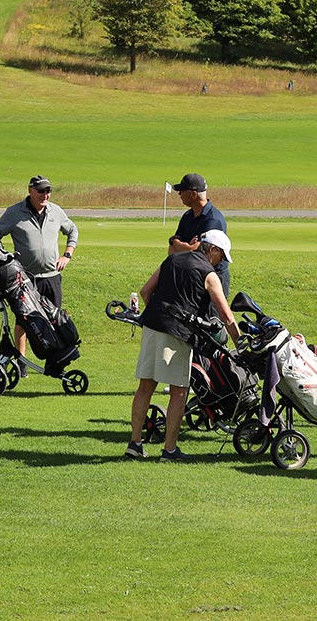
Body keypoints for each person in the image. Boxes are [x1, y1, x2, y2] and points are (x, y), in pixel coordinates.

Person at [126, 230, 243, 462]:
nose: (221, 262)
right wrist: (240, 343)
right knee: (179, 391)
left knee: (145, 387)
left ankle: (135, 443)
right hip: (177, 334)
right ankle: (169, 450)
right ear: (213, 250)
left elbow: (145, 291)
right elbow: (226, 316)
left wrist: (158, 315)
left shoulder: (172, 259)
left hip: (151, 326)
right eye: (221, 256)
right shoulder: (209, 274)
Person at [0, 174, 78, 367]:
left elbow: (72, 230)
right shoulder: (14, 212)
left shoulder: (56, 211)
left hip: (51, 277)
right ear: (30, 190)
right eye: (41, 191)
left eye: (48, 191)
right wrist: (5, 257)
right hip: (25, 279)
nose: (45, 195)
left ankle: (55, 361)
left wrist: (67, 255)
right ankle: (22, 362)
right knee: (24, 321)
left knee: (53, 319)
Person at [168, 173, 228, 295]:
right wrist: (182, 245)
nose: (179, 194)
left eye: (182, 191)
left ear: (193, 194)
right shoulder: (187, 215)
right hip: (193, 276)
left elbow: (199, 253)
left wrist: (181, 245)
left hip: (213, 278)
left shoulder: (213, 219)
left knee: (212, 315)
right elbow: (172, 250)